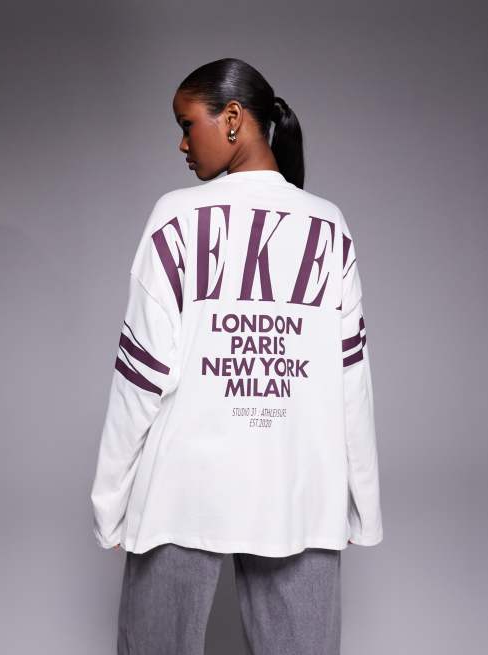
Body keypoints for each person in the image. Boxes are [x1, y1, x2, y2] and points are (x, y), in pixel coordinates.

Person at [90, 57, 383, 655]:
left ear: (231, 118)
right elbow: (350, 375)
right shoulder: (329, 226)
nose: (181, 143)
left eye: (186, 124)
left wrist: (109, 502)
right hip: (299, 490)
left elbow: (140, 375)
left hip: (180, 491)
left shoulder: (176, 217)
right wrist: (362, 503)